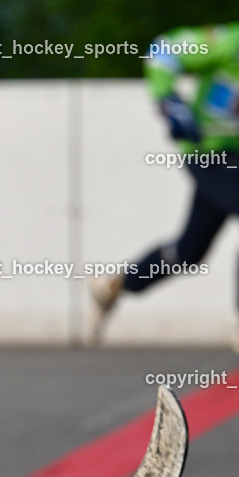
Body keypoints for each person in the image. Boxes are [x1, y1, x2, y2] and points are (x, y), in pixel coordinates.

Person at [91, 22, 239, 346]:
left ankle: (120, 283)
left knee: (190, 250)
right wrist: (169, 100)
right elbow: (164, 52)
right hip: (209, 152)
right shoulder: (230, 43)